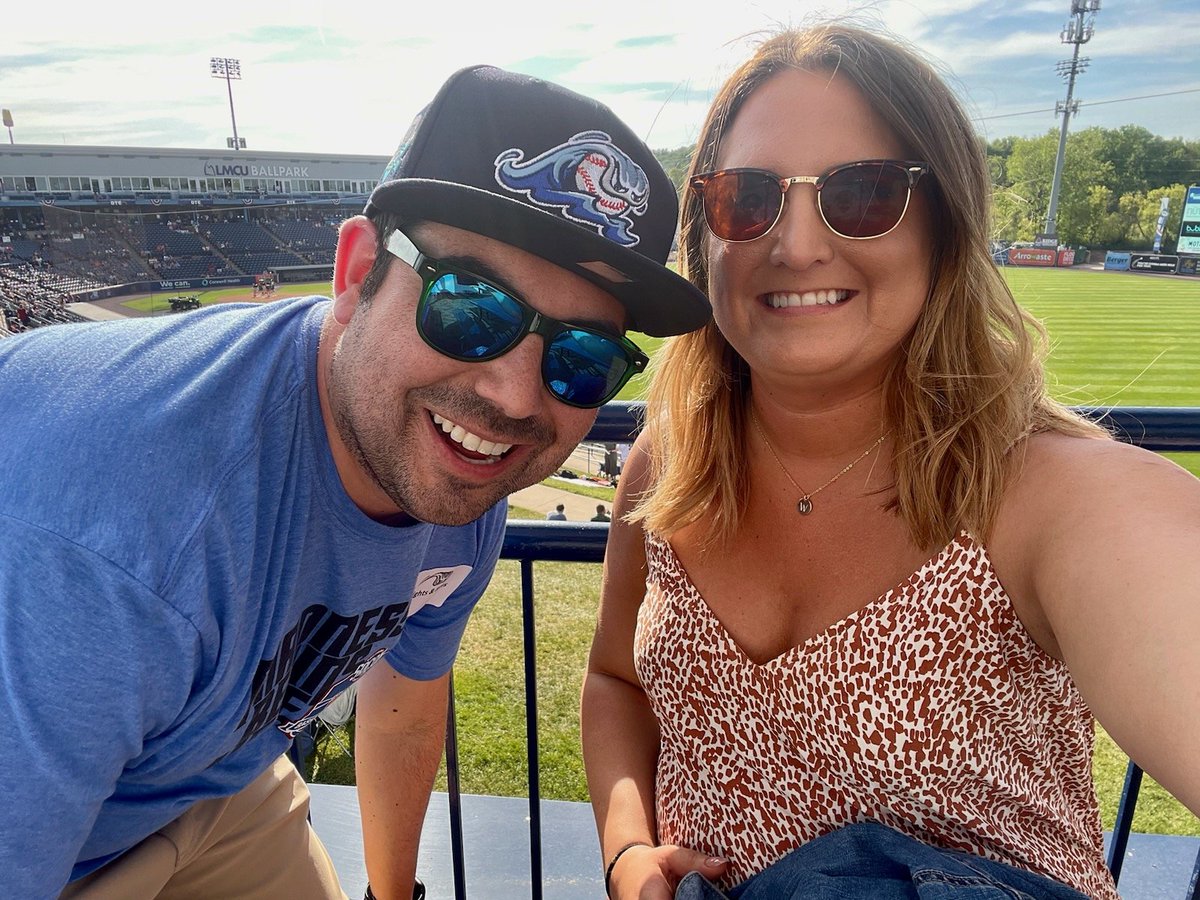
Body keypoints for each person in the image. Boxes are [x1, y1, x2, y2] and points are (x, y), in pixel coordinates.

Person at [0, 65, 709, 900]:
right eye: (470, 308)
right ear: (357, 271)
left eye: (582, 359)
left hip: (214, 771)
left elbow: (405, 700)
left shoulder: (451, 467)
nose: (517, 397)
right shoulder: (113, 539)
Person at [581, 23, 1199, 900]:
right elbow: (615, 680)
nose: (794, 245)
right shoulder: (669, 462)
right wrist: (626, 851)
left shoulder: (1041, 493)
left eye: (863, 194)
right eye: (746, 198)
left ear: (944, 227)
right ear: (705, 233)